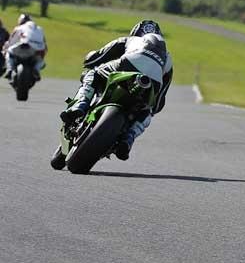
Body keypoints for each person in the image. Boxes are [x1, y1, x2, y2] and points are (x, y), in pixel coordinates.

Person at [60, 20, 173, 161]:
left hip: (129, 63)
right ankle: (128, 138)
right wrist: (151, 107)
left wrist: (90, 60)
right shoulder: (168, 58)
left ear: (136, 32)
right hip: (153, 81)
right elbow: (159, 101)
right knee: (148, 110)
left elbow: (96, 57)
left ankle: (80, 104)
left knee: (94, 73)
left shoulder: (131, 40)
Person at [3, 14, 47, 80]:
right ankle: (36, 70)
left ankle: (9, 70)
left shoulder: (18, 28)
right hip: (36, 50)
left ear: (21, 21)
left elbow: (10, 42)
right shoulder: (40, 29)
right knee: (40, 59)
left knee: (8, 52)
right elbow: (45, 46)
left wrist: (4, 50)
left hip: (22, 46)